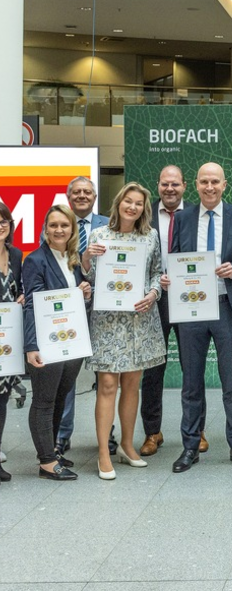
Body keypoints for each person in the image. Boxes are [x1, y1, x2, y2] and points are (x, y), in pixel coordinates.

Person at [165, 162, 232, 473]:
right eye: (204, 181)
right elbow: (175, 256)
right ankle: (190, 447)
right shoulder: (184, 217)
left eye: (215, 181)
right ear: (196, 185)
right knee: (191, 382)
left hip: (227, 305)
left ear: (224, 184)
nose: (210, 187)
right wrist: (170, 277)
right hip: (192, 309)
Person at [82, 183, 166, 480]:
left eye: (139, 203)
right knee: (107, 385)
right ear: (118, 203)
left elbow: (157, 272)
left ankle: (128, 446)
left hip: (140, 320)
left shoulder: (150, 237)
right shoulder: (99, 236)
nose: (133, 207)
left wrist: (154, 293)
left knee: (132, 384)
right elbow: (89, 276)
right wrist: (87, 258)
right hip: (107, 322)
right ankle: (104, 451)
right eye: (128, 201)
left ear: (145, 208)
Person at [23, 205, 92, 481]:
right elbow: (33, 305)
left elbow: (75, 300)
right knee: (43, 401)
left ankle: (51, 450)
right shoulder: (35, 260)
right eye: (53, 225)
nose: (59, 230)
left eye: (64, 225)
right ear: (45, 229)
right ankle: (46, 462)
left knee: (61, 397)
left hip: (71, 342)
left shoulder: (72, 259)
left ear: (72, 229)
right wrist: (31, 346)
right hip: (46, 342)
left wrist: (84, 294)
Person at [55, 176, 110, 456]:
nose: (82, 196)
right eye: (76, 192)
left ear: (94, 195)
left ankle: (107, 434)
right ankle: (62, 435)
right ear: (69, 197)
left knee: (106, 374)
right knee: (67, 374)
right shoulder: (58, 225)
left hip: (104, 305)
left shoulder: (109, 224)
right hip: (69, 307)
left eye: (87, 192)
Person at [139, 165, 192, 457]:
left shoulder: (196, 214)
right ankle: (152, 432)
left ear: (184, 186)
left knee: (191, 366)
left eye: (175, 184)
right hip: (154, 299)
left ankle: (195, 430)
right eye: (164, 184)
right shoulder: (144, 216)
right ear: (158, 186)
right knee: (153, 369)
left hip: (188, 298)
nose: (169, 189)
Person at [0, 204, 23, 485]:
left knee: (2, 397)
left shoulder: (16, 255)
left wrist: (22, 298)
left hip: (7, 340)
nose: (0, 225)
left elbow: (20, 287)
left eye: (4, 220)